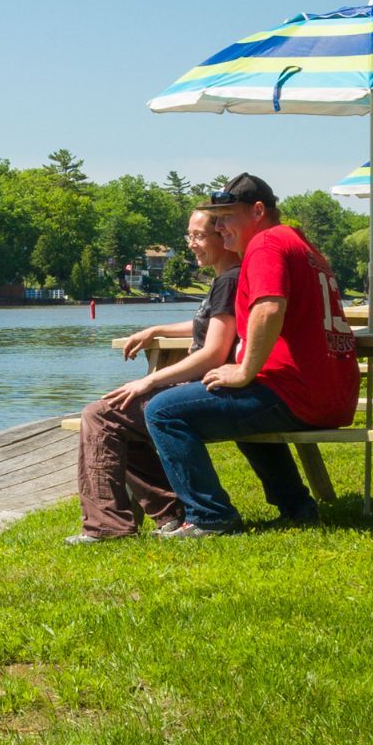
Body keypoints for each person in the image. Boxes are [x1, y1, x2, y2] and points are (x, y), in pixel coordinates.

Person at [141, 173, 357, 533]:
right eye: (217, 219)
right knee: (241, 402)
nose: (219, 227)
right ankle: (296, 507)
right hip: (332, 395)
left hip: (296, 393)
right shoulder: (302, 245)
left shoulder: (265, 244)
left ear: (258, 211)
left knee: (163, 411)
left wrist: (244, 371)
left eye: (227, 216)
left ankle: (210, 516)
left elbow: (269, 308)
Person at [73, 206, 241, 540]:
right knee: (119, 414)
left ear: (223, 235)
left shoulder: (229, 280)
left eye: (199, 236)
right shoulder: (227, 279)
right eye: (188, 236)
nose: (191, 244)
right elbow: (210, 325)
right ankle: (171, 513)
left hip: (209, 388)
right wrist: (157, 329)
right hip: (208, 386)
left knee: (101, 415)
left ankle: (108, 527)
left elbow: (214, 352)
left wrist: (148, 380)